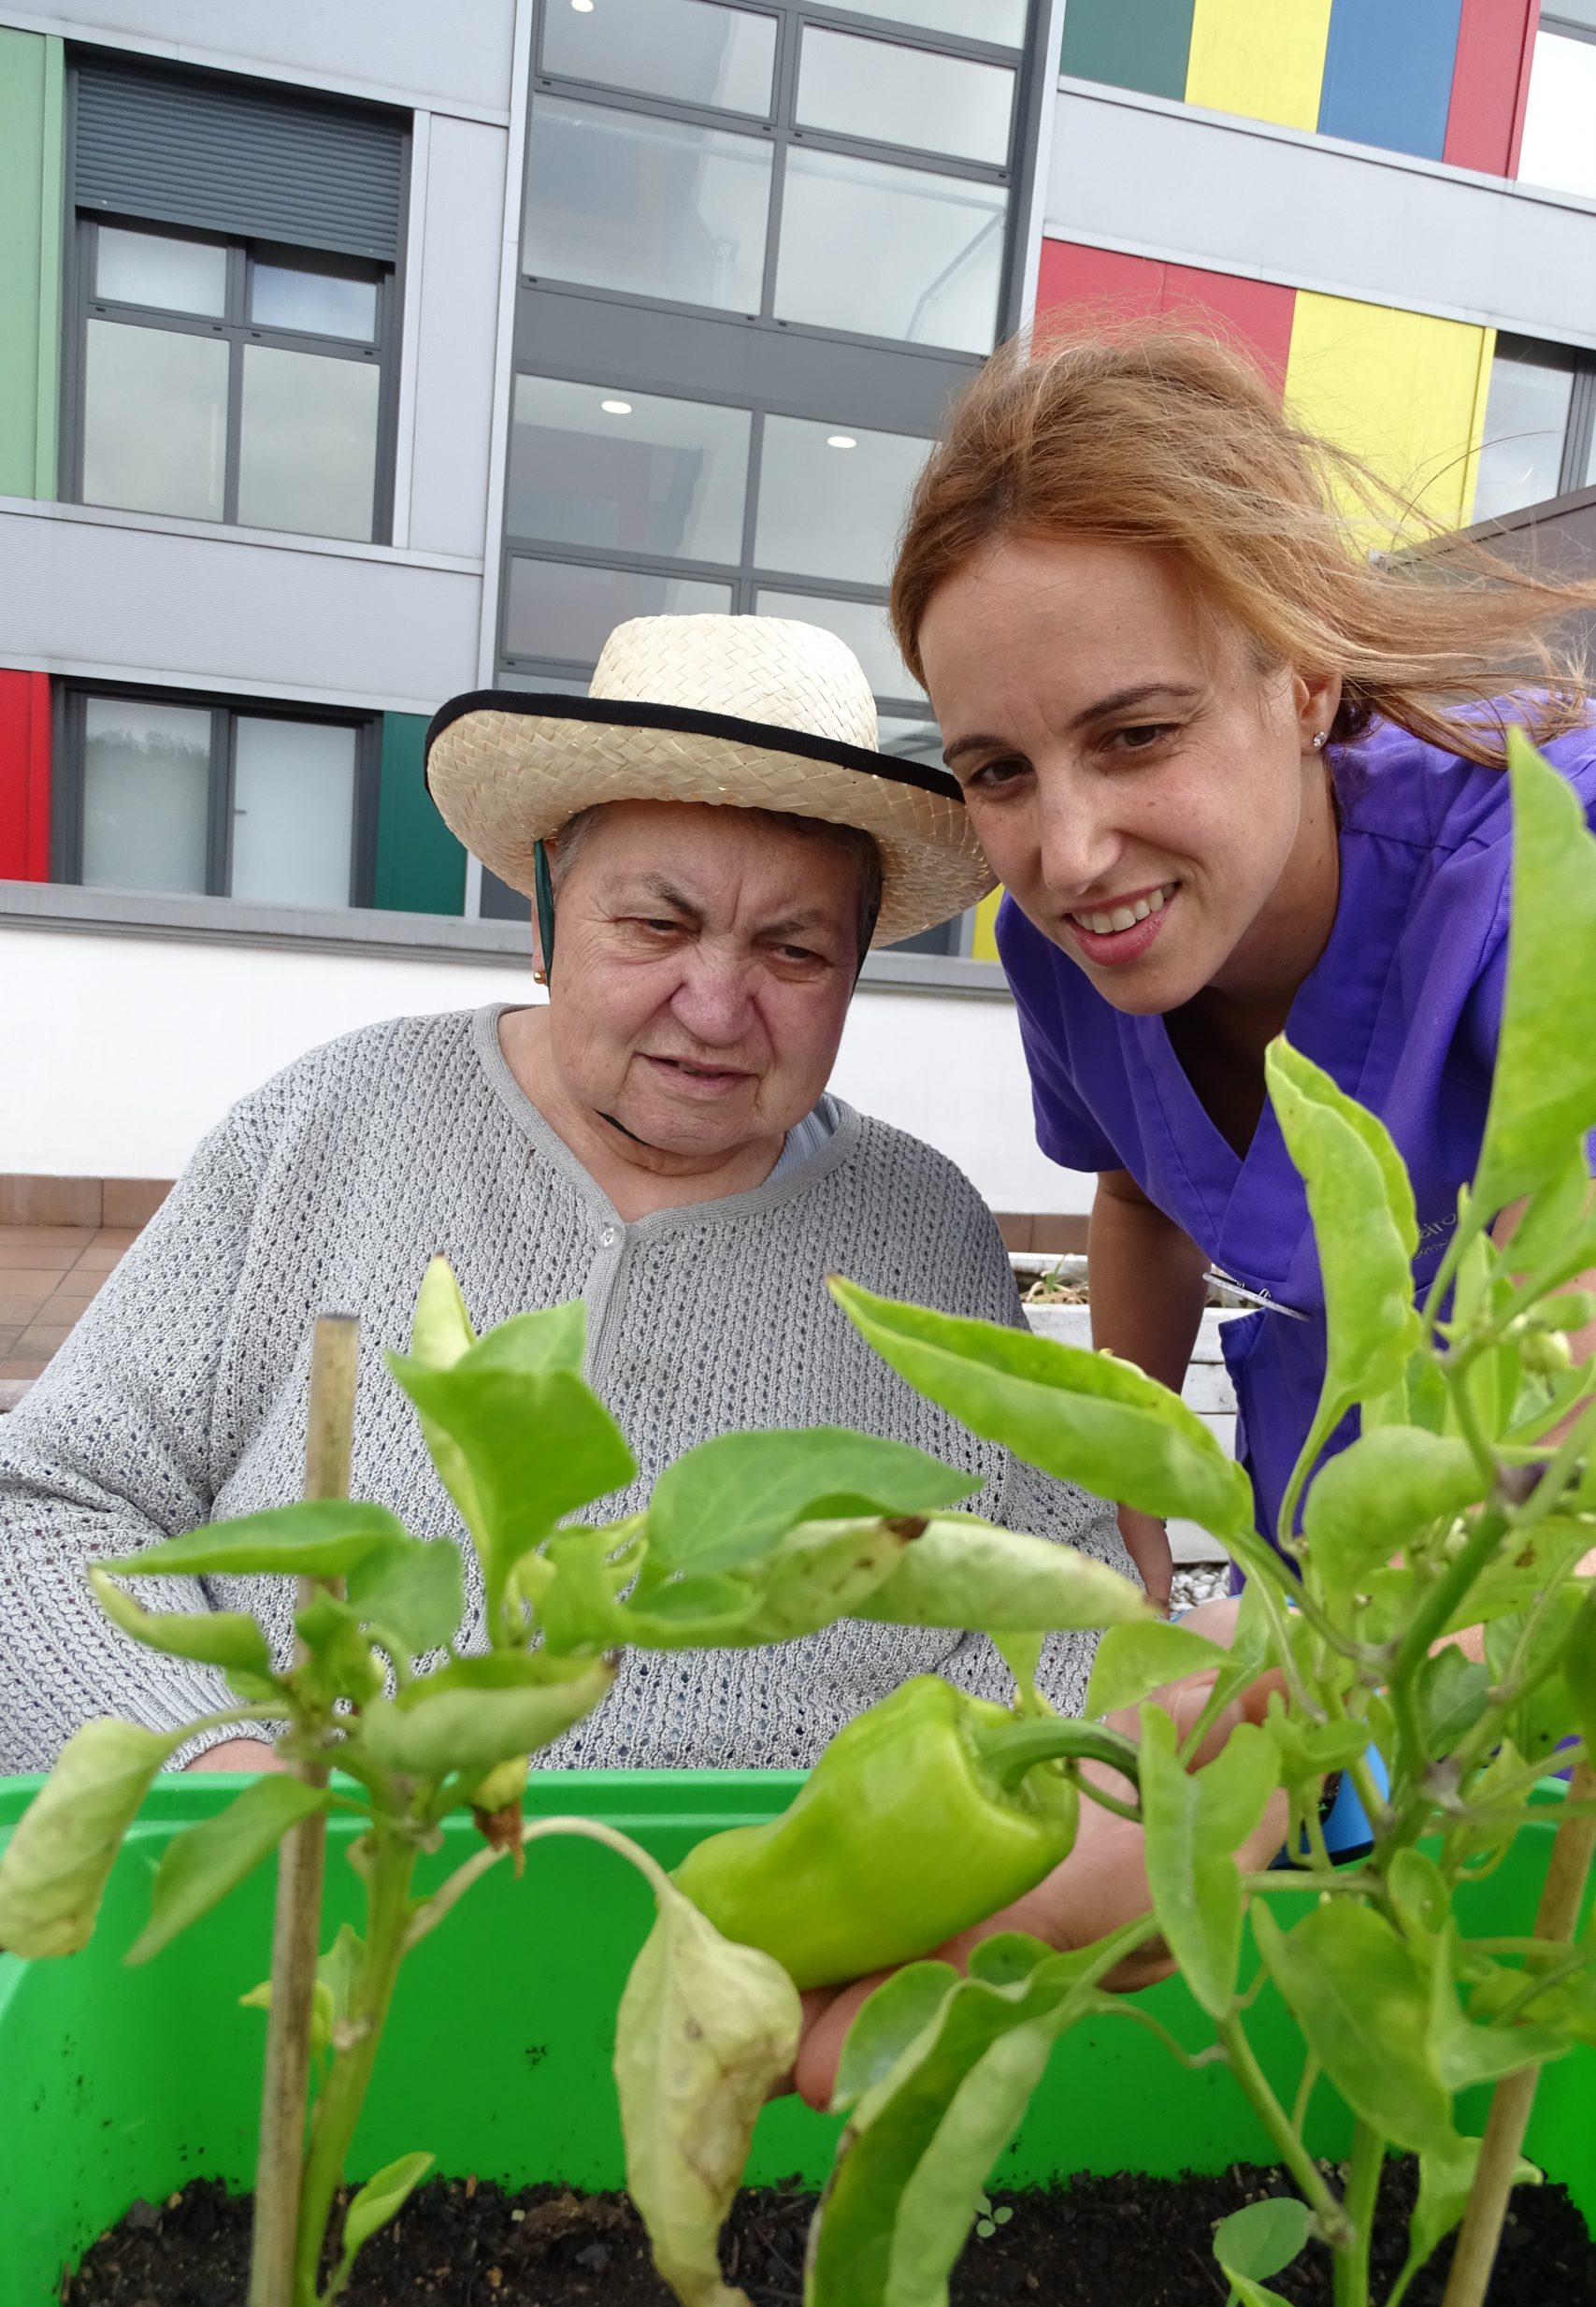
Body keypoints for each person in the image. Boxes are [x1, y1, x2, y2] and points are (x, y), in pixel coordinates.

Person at [0, 612, 1130, 1778]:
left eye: (795, 951)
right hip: (302, 1914)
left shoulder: (926, 1228)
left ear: (855, 968)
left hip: (774, 1941)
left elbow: (1064, 1603)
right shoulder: (334, 1124)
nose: (714, 1007)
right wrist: (224, 1766)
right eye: (657, 924)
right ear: (544, 908)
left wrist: (932, 1839)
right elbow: (43, 1502)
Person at [887, 320, 1596, 1608]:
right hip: (1331, 1546)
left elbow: (1563, 1332)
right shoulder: (1049, 951)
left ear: (1305, 678)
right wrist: (1134, 1513)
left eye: (1137, 735)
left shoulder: (1538, 863)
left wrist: (1290, 1697)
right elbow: (1142, 1199)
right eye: (994, 770)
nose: (1068, 853)